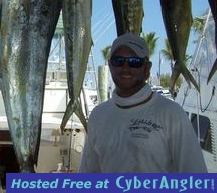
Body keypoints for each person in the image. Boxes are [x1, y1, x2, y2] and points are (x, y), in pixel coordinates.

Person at [79, 33, 207, 173]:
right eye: (118, 61)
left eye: (134, 61)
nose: (126, 67)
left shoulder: (172, 114)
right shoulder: (98, 115)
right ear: (110, 65)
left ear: (146, 68)